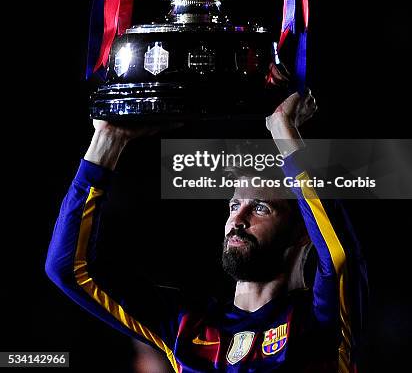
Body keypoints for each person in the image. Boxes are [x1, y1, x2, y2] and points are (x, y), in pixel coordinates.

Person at [45, 91, 367, 372]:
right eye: (233, 206)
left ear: (303, 232)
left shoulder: (321, 321)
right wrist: (107, 141)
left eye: (259, 208)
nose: (237, 220)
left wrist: (284, 130)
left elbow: (338, 254)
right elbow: (68, 269)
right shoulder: (186, 326)